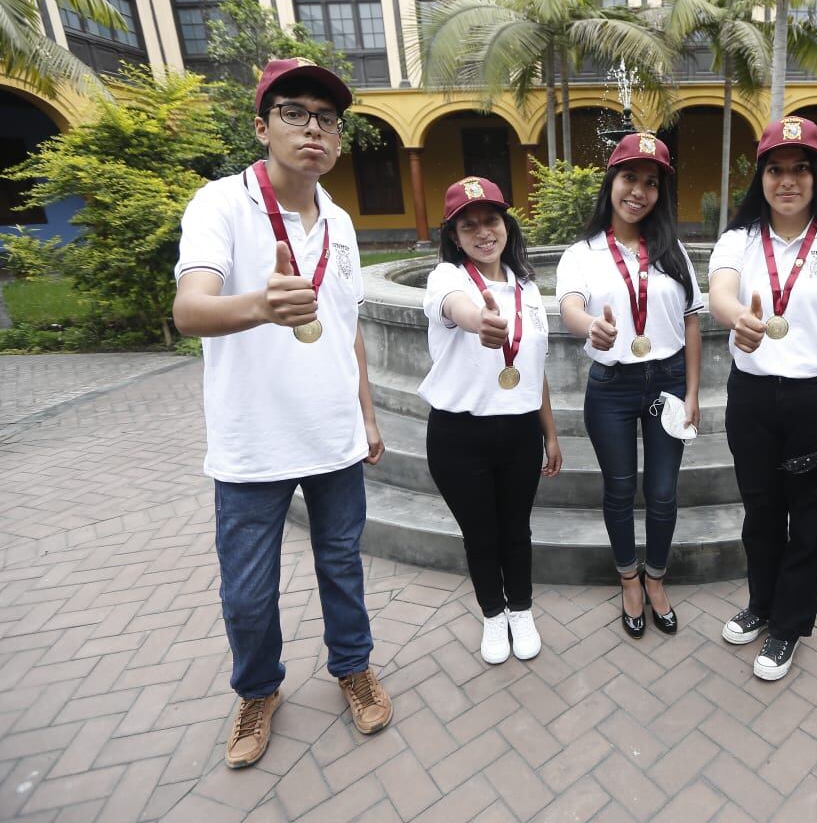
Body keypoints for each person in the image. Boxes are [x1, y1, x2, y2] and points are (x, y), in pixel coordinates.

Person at [172, 58, 393, 769]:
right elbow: (189, 310)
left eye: (327, 119)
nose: (314, 129)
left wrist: (368, 415)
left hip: (332, 436)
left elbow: (348, 328)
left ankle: (352, 668)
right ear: (261, 124)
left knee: (342, 568)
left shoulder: (341, 221)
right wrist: (260, 306)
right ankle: (257, 690)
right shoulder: (220, 205)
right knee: (246, 588)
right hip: (251, 443)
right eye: (295, 112)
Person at [707, 116, 817, 681]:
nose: (787, 181)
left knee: (808, 520)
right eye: (776, 169)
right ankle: (761, 602)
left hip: (816, 397)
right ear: (761, 177)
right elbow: (720, 293)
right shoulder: (738, 240)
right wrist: (739, 320)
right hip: (752, 396)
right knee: (760, 512)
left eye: (800, 169)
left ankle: (787, 627)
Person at [556, 132, 702, 638]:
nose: (638, 191)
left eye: (650, 182)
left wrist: (694, 393)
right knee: (620, 490)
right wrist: (589, 326)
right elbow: (570, 305)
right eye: (629, 178)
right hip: (611, 386)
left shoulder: (672, 250)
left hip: (666, 382)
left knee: (662, 492)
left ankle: (656, 576)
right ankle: (629, 580)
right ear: (611, 183)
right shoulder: (583, 253)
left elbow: (690, 324)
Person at [420, 176, 561, 665]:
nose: (483, 232)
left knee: (516, 529)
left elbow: (533, 366)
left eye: (492, 220)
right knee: (481, 532)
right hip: (460, 434)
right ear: (454, 236)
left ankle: (521, 609)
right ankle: (493, 615)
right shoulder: (447, 279)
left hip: (520, 432)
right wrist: (479, 320)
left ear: (507, 226)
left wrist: (550, 431)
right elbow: (455, 308)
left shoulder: (528, 288)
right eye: (469, 225)